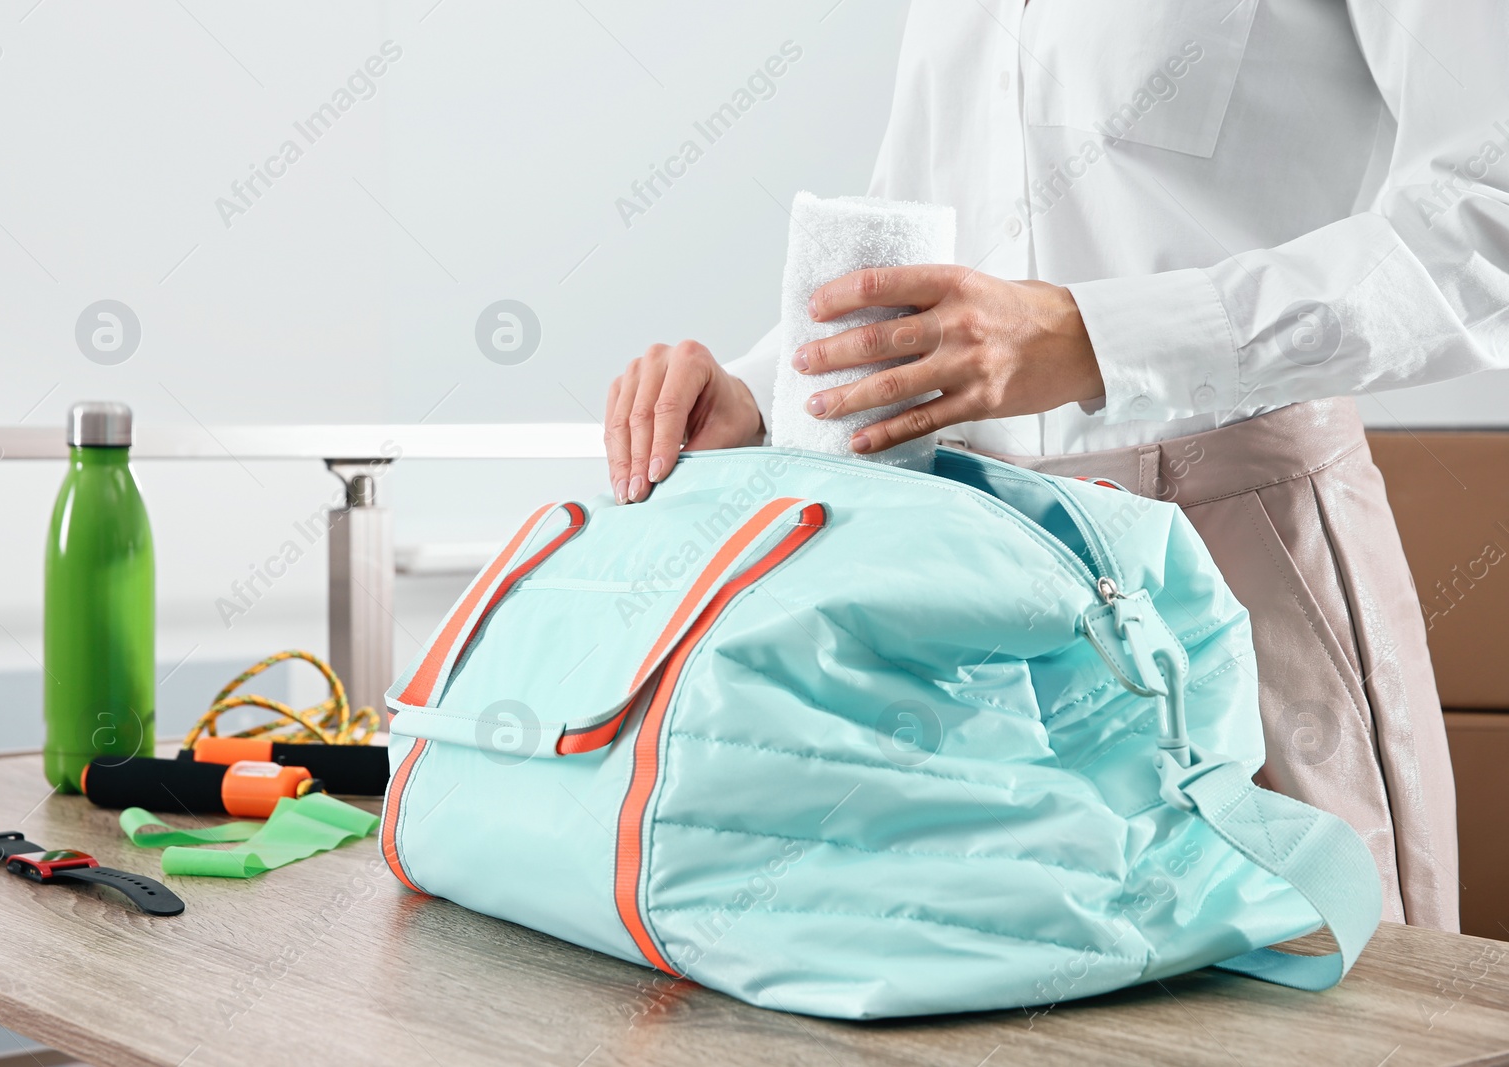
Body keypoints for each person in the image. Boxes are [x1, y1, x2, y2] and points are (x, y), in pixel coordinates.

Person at [602, 1, 1509, 932]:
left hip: (1241, 556)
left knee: (1314, 1001)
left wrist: (1094, 335)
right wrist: (765, 393)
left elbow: (1490, 218)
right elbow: (930, 232)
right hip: (967, 580)